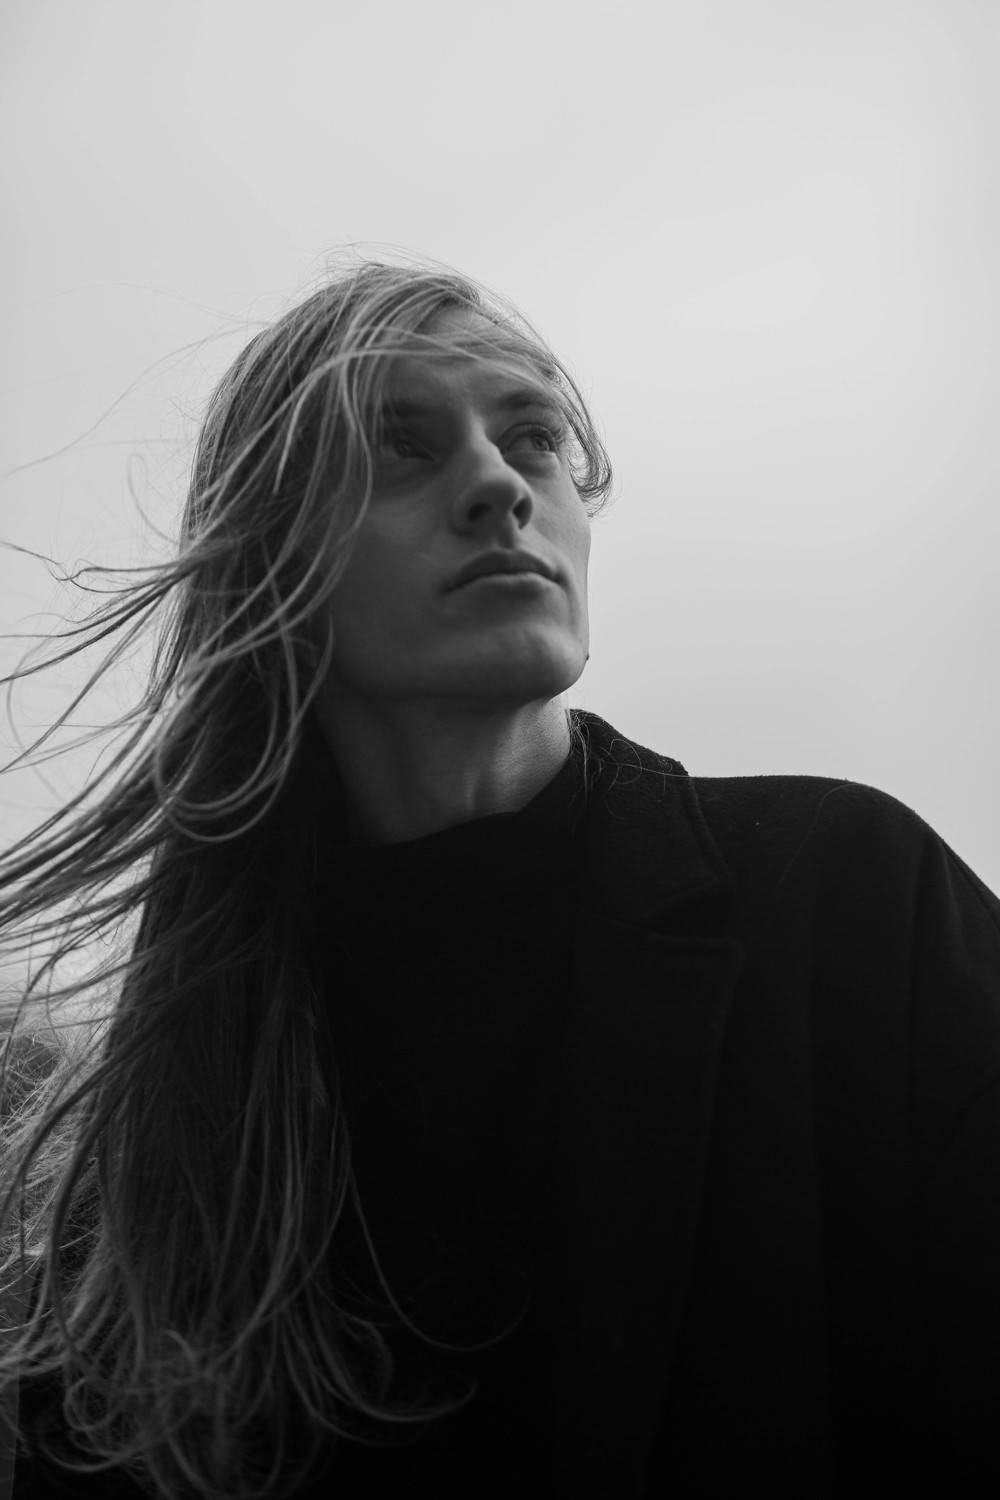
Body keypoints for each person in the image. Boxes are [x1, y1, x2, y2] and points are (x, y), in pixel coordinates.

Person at [1, 248, 999, 1499]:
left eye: (534, 437)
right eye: (400, 448)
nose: (496, 485)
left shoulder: (850, 899)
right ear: (268, 564)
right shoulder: (167, 1149)